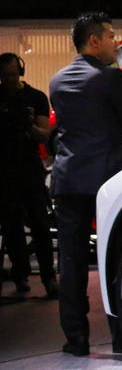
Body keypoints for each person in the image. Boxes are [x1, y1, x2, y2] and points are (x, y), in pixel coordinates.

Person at [49, 12, 122, 357]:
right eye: (110, 36)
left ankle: (76, 340)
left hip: (67, 181)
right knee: (116, 259)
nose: (115, 43)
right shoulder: (110, 78)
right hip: (107, 183)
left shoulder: (57, 81)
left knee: (71, 263)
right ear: (94, 40)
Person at [0, 52, 57, 299]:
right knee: (11, 227)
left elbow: (45, 136)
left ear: (20, 72)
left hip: (30, 169)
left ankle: (48, 278)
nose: (10, 80)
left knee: (40, 225)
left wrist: (29, 125)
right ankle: (20, 275)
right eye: (5, 76)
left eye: (13, 75)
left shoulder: (35, 97)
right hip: (5, 171)